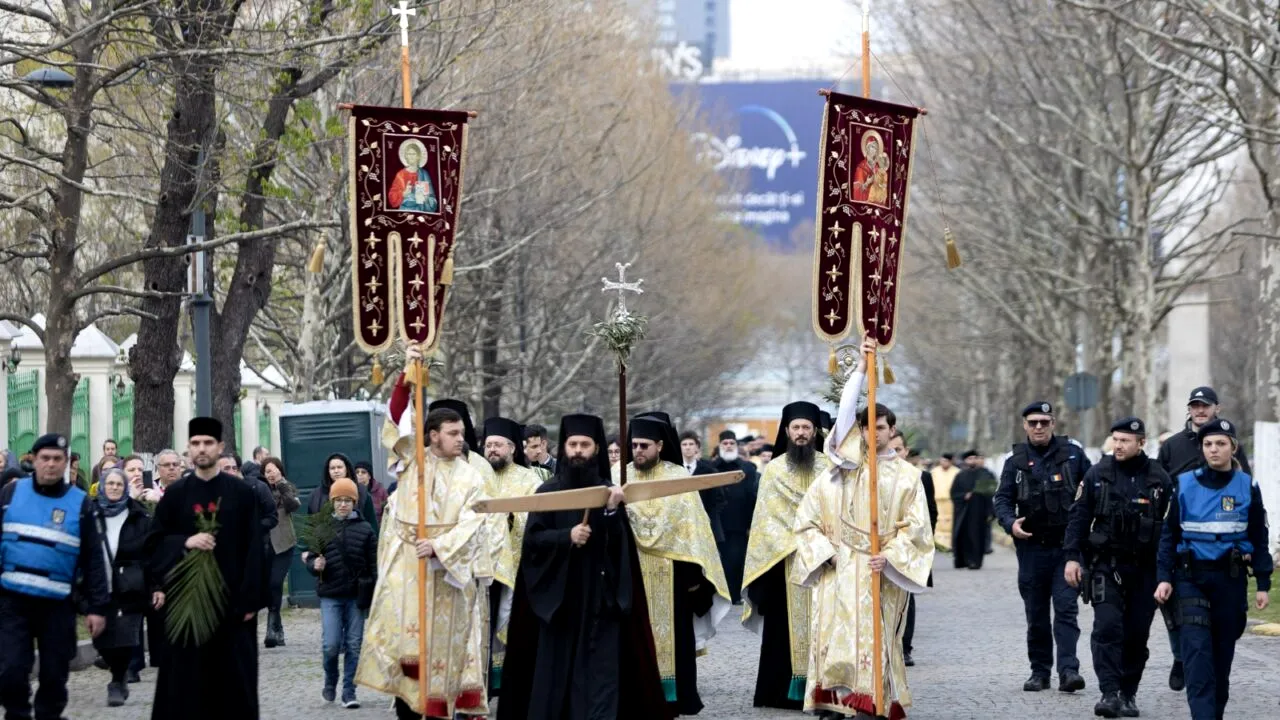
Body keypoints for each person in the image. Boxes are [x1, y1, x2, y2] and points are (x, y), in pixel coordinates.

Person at [792, 337, 934, 719]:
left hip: (879, 570)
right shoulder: (843, 469)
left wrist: (889, 557)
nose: (874, 432)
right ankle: (833, 705)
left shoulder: (908, 477)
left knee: (877, 642)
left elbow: (918, 529)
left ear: (892, 430)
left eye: (882, 426)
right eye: (866, 426)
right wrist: (859, 373)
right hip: (838, 570)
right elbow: (804, 523)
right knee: (835, 641)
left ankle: (874, 701)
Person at [494, 413, 670, 720]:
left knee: (600, 674)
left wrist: (613, 512)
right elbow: (533, 543)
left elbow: (621, 549)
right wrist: (567, 537)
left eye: (584, 444)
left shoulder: (609, 492)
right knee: (556, 676)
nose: (578, 450)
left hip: (599, 599)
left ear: (596, 449)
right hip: (560, 602)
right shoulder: (547, 493)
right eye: (573, 444)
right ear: (564, 448)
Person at [356, 364, 493, 720]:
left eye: (462, 432)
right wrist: (407, 376)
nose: (460, 438)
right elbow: (395, 423)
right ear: (431, 436)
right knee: (408, 654)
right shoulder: (412, 462)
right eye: (452, 433)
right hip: (409, 573)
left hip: (448, 577)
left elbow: (474, 520)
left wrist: (439, 546)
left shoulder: (471, 475)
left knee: (443, 660)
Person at [147, 417, 265, 719]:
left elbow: (254, 546)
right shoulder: (174, 497)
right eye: (196, 443)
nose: (202, 449)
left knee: (233, 687)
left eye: (208, 443)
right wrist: (186, 541)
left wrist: (250, 599)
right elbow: (154, 544)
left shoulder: (241, 494)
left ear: (220, 447)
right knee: (185, 688)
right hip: (187, 607)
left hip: (232, 608)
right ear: (188, 448)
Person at [1155, 418, 1271, 720]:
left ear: (1233, 447)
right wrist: (1164, 578)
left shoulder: (1248, 487)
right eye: (1208, 444)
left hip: (1229, 581)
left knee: (1221, 660)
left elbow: (1259, 537)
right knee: (1196, 656)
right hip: (1191, 580)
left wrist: (1262, 583)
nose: (1213, 449)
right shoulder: (1185, 484)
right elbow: (1169, 536)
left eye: (1220, 443)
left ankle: (1213, 713)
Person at [615, 415, 730, 714]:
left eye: (645, 445)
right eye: (634, 445)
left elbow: (694, 532)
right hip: (632, 575)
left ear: (660, 445)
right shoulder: (618, 477)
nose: (638, 450)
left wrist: (692, 581)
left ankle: (673, 697)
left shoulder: (678, 478)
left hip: (672, 577)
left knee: (675, 643)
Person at [1063, 417, 1172, 718]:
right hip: (1105, 567)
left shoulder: (1158, 478)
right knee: (1107, 628)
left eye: (1125, 440)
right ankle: (1109, 693)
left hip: (1145, 570)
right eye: (1115, 439)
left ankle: (1128, 692)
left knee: (1137, 634)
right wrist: (1073, 557)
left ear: (1141, 442)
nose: (1119, 445)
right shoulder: (1098, 474)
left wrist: (1169, 572)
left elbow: (1171, 528)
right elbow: (1078, 518)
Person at [0, 433, 109, 720]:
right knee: (10, 670)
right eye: (44, 458)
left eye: (57, 459)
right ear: (33, 461)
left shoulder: (81, 503)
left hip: (58, 605)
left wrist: (97, 607)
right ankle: (17, 714)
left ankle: (49, 715)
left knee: (54, 673)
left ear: (66, 464)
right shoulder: (10, 494)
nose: (50, 464)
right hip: (12, 603)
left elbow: (94, 558)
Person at [1155, 385, 1252, 691]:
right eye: (1195, 406)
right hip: (1180, 538)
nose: (1199, 411)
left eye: (1205, 406)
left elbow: (1245, 490)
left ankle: (1201, 656)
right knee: (1172, 605)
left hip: (1221, 546)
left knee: (1223, 617)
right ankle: (1181, 656)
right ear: (1189, 410)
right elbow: (1157, 488)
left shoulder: (1229, 445)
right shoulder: (1172, 446)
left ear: (1216, 409)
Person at [994, 401, 1092, 693]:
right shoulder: (1015, 461)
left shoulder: (1073, 455)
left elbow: (1093, 491)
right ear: (1024, 425)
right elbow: (1002, 499)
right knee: (1036, 615)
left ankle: (1068, 671)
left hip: (1067, 548)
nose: (1039, 427)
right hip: (1032, 549)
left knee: (1065, 610)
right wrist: (1010, 523)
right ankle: (1039, 672)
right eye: (1033, 422)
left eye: (1044, 422)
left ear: (1053, 423)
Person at [741, 401, 830, 709]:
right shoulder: (774, 469)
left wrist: (824, 546)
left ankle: (823, 693)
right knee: (782, 632)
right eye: (796, 428)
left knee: (826, 627)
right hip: (785, 564)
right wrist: (799, 544)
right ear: (787, 431)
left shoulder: (830, 467)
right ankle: (782, 694)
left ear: (815, 431)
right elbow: (766, 520)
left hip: (825, 564)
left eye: (807, 427)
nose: (801, 433)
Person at [480, 415, 545, 693]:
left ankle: (508, 686)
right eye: (488, 445)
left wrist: (510, 519)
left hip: (516, 568)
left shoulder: (529, 479)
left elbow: (537, 520)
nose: (492, 450)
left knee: (510, 625)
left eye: (498, 445)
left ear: (512, 449)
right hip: (480, 567)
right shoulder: (476, 477)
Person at [90, 467, 163, 706]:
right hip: (99, 584)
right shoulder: (90, 515)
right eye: (110, 484)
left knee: (125, 636)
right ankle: (115, 669)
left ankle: (118, 679)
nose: (114, 488)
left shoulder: (138, 516)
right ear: (102, 486)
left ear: (125, 489)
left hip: (131, 585)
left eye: (118, 484)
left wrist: (156, 586)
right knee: (101, 639)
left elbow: (152, 555)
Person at [304, 477, 377, 709]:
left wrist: (374, 592)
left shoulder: (366, 530)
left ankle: (349, 690)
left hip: (357, 595)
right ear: (332, 502)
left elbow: (374, 565)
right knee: (331, 645)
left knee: (354, 644)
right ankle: (330, 679)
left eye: (348, 500)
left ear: (355, 502)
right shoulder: (322, 529)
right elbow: (311, 557)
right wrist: (314, 565)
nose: (343, 504)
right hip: (330, 595)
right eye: (339, 500)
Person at [887, 431, 937, 669]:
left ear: (906, 451)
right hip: (884, 546)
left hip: (912, 545)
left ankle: (905, 648)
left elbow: (931, 513)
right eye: (891, 449)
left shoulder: (921, 477)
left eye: (898, 449)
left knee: (908, 597)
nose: (894, 453)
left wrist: (920, 542)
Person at [711, 429, 759, 604]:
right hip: (717, 523)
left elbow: (752, 496)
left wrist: (751, 524)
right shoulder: (711, 468)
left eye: (732, 443)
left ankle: (735, 594)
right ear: (720, 446)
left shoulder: (747, 468)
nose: (729, 446)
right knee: (719, 561)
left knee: (737, 560)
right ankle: (720, 593)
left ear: (737, 446)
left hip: (739, 523)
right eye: (725, 443)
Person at [261, 457, 300, 648]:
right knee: (269, 586)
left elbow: (293, 506)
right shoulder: (260, 489)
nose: (270, 474)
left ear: (280, 471)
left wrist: (282, 484)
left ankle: (271, 626)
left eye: (273, 470)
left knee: (276, 582)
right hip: (263, 545)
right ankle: (277, 628)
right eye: (267, 471)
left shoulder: (287, 487)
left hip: (284, 543)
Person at [307, 452, 378, 536]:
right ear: (328, 471)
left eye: (339, 467)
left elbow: (372, 523)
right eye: (332, 468)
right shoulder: (316, 496)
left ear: (346, 469)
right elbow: (309, 527)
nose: (336, 471)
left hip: (356, 542)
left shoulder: (361, 492)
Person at [951, 450, 997, 570]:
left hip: (979, 511)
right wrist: (963, 496)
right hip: (963, 512)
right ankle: (964, 560)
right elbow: (954, 493)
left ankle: (976, 561)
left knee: (977, 536)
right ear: (965, 460)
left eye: (974, 458)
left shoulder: (985, 474)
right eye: (969, 458)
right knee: (963, 536)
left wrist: (990, 510)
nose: (972, 461)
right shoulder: (960, 475)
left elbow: (990, 492)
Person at [679, 429, 726, 545]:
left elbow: (719, 499)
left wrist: (708, 517)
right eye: (684, 444)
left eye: (691, 444)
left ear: (697, 447)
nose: (688, 447)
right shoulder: (675, 471)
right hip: (680, 524)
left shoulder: (709, 470)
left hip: (705, 524)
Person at [931, 453, 959, 552]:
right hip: (937, 500)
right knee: (938, 522)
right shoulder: (934, 471)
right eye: (942, 460)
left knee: (950, 522)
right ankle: (938, 544)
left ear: (950, 462)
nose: (944, 463)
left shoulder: (956, 472)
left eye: (946, 461)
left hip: (951, 501)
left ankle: (949, 544)